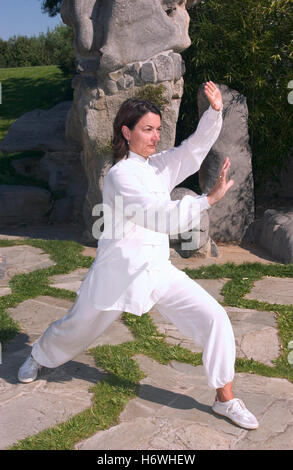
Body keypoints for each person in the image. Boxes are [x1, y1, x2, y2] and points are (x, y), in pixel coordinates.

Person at [18, 81, 259, 430]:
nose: (155, 136)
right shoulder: (119, 177)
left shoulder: (157, 167)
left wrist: (215, 112)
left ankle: (225, 399)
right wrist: (206, 200)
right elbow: (157, 214)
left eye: (158, 130)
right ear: (126, 131)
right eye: (147, 129)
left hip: (157, 270)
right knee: (76, 327)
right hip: (117, 274)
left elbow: (192, 150)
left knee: (214, 317)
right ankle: (38, 356)